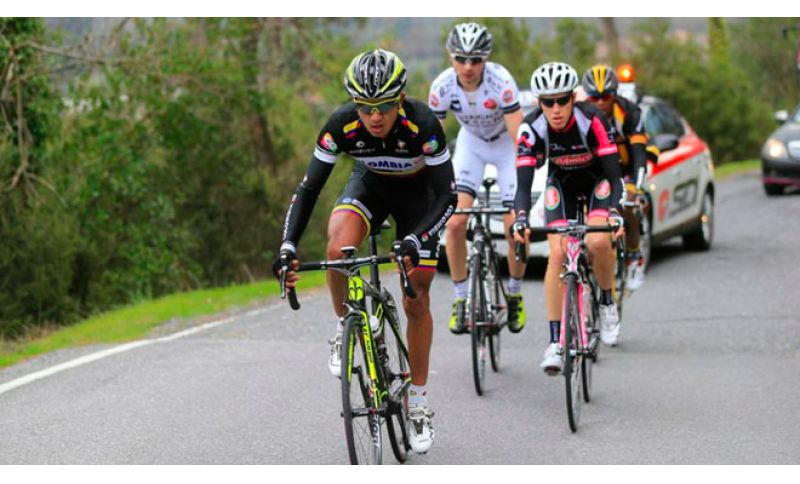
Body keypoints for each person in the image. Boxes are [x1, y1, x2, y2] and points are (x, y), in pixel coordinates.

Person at [276, 49, 456, 453]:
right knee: (337, 245)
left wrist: (416, 239)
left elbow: (448, 196)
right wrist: (287, 245)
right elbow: (308, 189)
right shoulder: (340, 124)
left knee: (417, 295)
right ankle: (346, 324)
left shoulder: (424, 125)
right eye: (365, 107)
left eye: (384, 106)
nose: (374, 116)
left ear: (401, 98)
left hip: (420, 198)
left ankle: (418, 404)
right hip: (371, 185)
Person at [512, 61, 626, 373]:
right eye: (548, 102)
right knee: (558, 253)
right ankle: (555, 343)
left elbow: (614, 177)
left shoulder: (592, 119)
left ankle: (606, 301)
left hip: (597, 183)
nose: (556, 109)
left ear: (573, 98)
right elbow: (522, 186)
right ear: (539, 103)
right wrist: (520, 217)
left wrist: (615, 212)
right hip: (561, 184)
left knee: (598, 242)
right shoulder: (531, 127)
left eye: (562, 100)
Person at [428, 22, 527, 335]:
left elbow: (518, 136)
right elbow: (434, 142)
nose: (468, 66)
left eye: (475, 60)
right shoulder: (442, 87)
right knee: (456, 223)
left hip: (504, 145)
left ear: (486, 58)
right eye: (461, 59)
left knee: (515, 228)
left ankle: (514, 293)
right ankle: (461, 298)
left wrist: (524, 181)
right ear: (451, 57)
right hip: (470, 144)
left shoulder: (501, 82)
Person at [581, 64, 652, 292]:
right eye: (595, 97)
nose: (601, 102)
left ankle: (634, 257)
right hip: (597, 169)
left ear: (615, 93)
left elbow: (639, 153)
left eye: (607, 96)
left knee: (628, 204)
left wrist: (637, 188)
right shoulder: (581, 114)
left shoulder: (629, 112)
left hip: (625, 167)